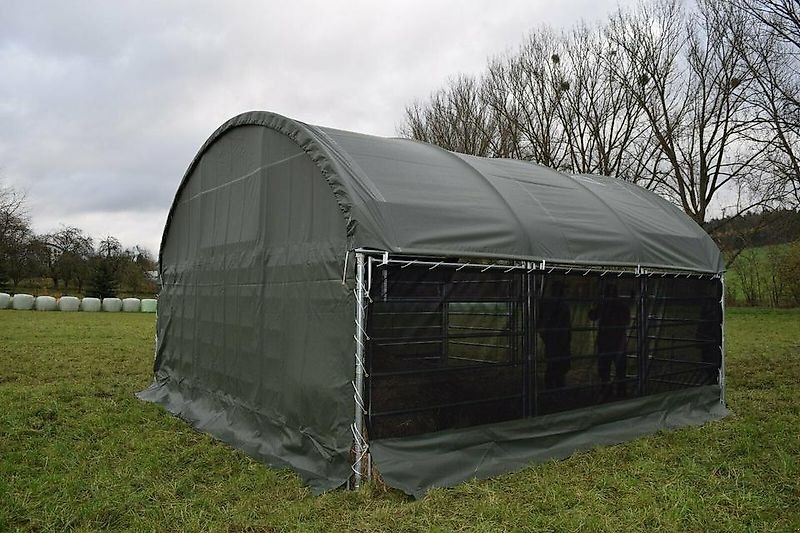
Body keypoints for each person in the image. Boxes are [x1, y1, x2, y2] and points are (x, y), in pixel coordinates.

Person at [589, 283, 631, 399]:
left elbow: (592, 316)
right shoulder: (619, 305)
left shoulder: (604, 305)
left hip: (607, 342)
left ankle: (608, 391)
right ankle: (620, 391)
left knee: (606, 369)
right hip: (617, 342)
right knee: (618, 369)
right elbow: (626, 320)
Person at [539, 280, 571, 388]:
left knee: (557, 361)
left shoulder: (558, 304)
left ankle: (556, 382)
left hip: (558, 336)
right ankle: (554, 383)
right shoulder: (554, 304)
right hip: (556, 336)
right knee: (555, 361)